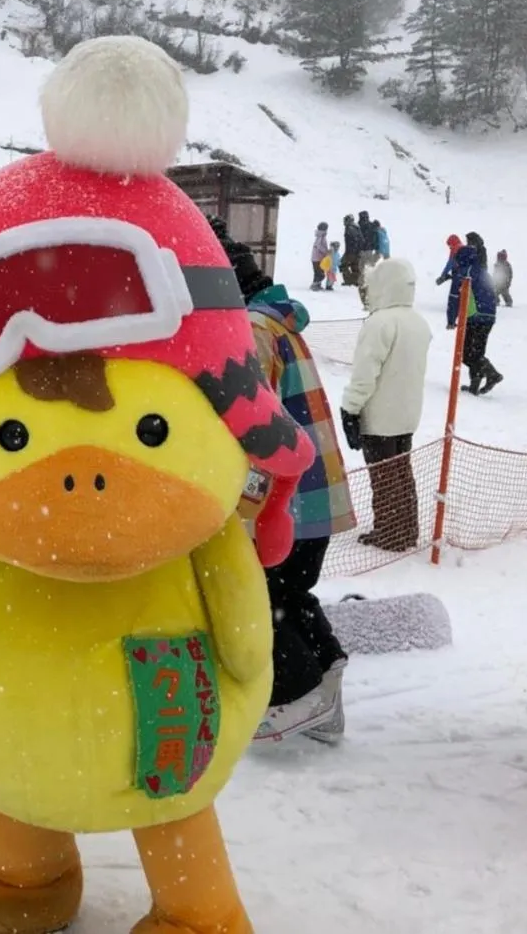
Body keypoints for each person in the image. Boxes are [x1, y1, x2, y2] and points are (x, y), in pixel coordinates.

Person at [212, 215, 356, 745]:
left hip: (285, 505)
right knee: (289, 592)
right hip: (314, 498)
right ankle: (325, 679)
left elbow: (252, 425)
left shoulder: (251, 330)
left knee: (260, 598)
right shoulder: (277, 321)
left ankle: (297, 697)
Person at [339, 258, 432, 553]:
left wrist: (350, 408)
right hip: (407, 414)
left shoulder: (379, 323)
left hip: (380, 416)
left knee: (383, 477)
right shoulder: (418, 322)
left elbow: (365, 374)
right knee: (401, 472)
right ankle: (406, 530)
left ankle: (389, 533)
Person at [448, 232, 503, 395]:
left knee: (466, 354)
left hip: (474, 315)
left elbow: (454, 297)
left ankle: (492, 374)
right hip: (489, 316)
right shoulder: (482, 270)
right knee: (477, 352)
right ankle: (475, 384)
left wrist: (451, 319)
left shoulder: (463, 272)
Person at [341, 214, 363, 288]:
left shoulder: (350, 228)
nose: (344, 222)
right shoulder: (357, 227)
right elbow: (361, 240)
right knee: (355, 266)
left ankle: (349, 280)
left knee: (343, 264)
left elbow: (354, 240)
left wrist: (350, 251)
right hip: (357, 251)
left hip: (351, 251)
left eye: (345, 220)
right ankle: (356, 280)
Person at [310, 221, 329, 291]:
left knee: (318, 272)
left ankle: (317, 284)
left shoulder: (320, 235)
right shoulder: (321, 236)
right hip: (317, 258)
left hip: (317, 258)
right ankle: (314, 285)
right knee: (320, 273)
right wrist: (326, 252)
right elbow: (318, 246)